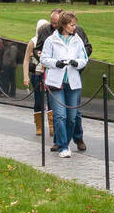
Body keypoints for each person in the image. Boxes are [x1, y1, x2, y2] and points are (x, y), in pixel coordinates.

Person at [36, 9, 91, 150]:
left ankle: (65, 142)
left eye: (74, 25)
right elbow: (43, 58)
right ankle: (62, 147)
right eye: (72, 25)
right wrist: (56, 63)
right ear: (64, 25)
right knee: (60, 116)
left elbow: (84, 58)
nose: (74, 27)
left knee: (72, 117)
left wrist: (76, 63)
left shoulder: (77, 40)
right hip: (56, 83)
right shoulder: (51, 40)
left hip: (73, 83)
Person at [24, 19, 54, 139]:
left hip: (50, 74)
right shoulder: (33, 41)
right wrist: (25, 76)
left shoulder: (52, 39)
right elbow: (26, 59)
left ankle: (52, 126)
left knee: (52, 100)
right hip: (38, 74)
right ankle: (39, 126)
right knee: (38, 101)